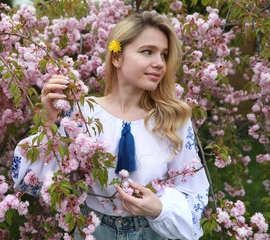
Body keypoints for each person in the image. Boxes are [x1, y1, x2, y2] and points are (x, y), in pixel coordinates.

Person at [12, 11, 209, 240]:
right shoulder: (82, 113)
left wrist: (159, 209)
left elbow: (194, 191)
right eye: (147, 51)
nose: (159, 64)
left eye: (164, 55)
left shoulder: (173, 120)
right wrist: (47, 119)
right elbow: (32, 182)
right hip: (92, 231)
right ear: (117, 57)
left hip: (151, 232)